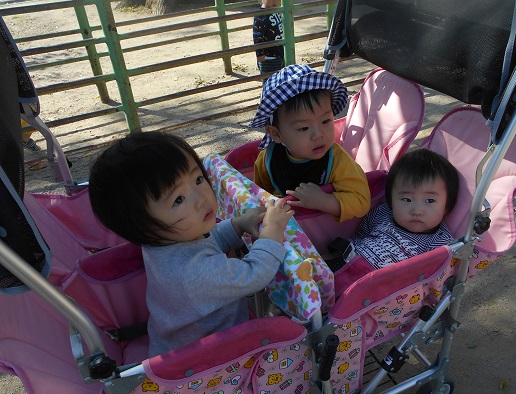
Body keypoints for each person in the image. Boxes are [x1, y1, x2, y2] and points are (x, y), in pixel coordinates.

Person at [88, 131, 295, 358]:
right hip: (203, 364)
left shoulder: (165, 240)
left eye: (198, 180)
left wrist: (236, 225)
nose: (201, 198)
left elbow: (207, 241)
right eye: (178, 199)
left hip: (176, 341)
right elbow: (255, 273)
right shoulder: (194, 273)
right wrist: (272, 229)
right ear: (144, 228)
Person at [248, 64, 371, 222]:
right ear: (276, 134)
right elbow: (259, 194)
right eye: (303, 128)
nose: (318, 135)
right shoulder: (268, 159)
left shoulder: (337, 161)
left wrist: (324, 201)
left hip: (320, 229)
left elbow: (362, 201)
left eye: (326, 121)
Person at [329, 148, 460, 295]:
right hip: (348, 260)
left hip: (374, 289)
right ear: (391, 200)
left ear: (446, 205)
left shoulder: (439, 243)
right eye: (407, 199)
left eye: (430, 201)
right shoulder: (382, 212)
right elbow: (361, 234)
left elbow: (434, 281)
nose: (417, 210)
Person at [253, 0, 284, 80]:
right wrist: (260, 55)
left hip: (279, 53)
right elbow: (257, 37)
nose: (274, 1)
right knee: (269, 81)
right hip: (268, 58)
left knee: (279, 79)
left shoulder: (277, 10)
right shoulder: (261, 15)